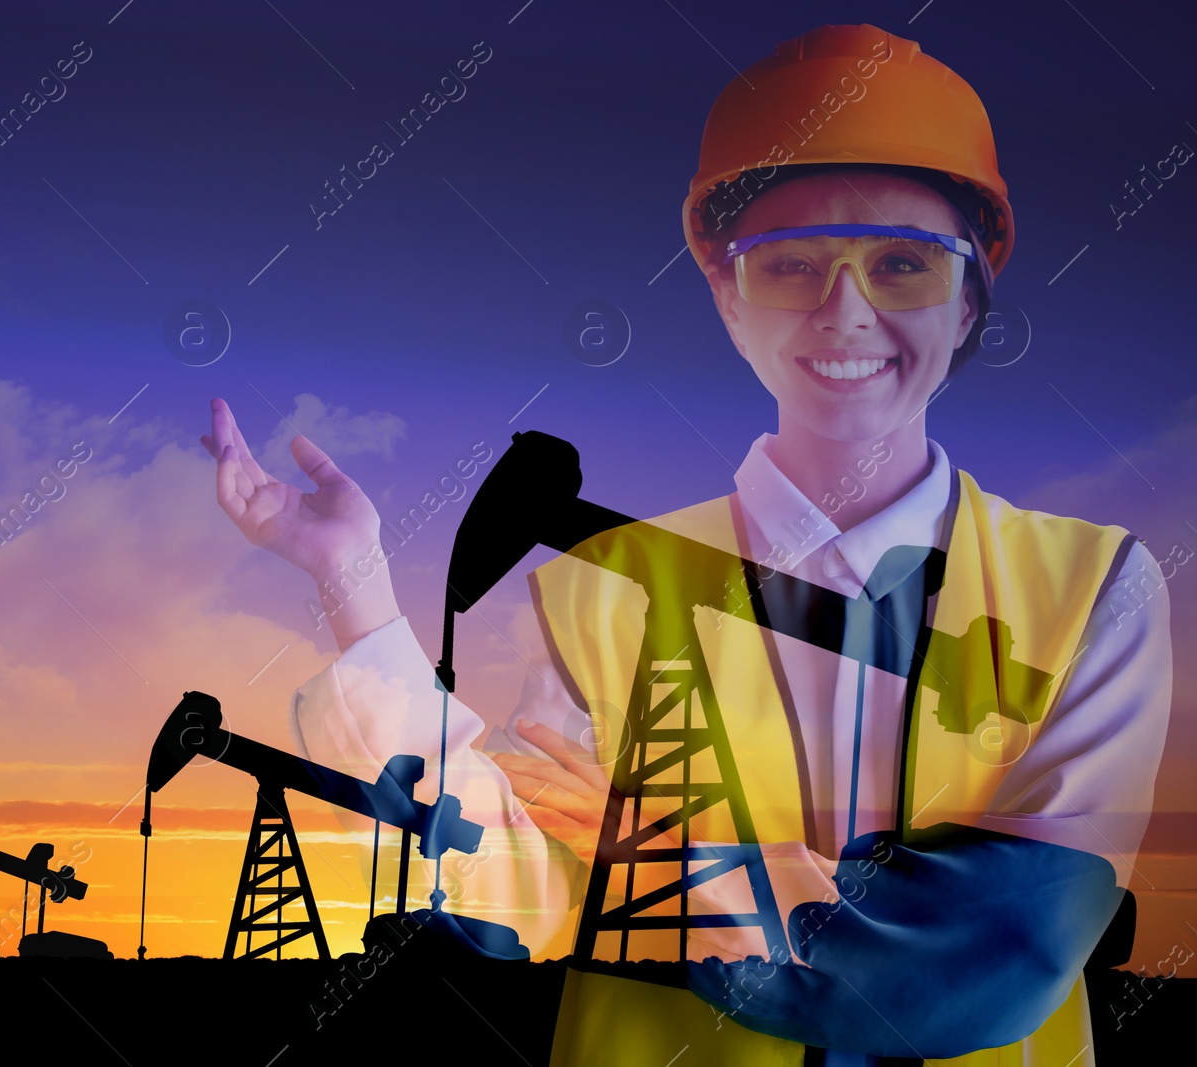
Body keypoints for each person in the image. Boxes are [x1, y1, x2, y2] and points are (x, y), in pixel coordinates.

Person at [201, 23, 1171, 1066]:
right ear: (726, 298)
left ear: (972, 292)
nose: (845, 311)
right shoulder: (598, 597)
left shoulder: (1094, 590)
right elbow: (526, 891)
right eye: (791, 265)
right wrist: (352, 588)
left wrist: (662, 859)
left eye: (902, 263)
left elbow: (993, 950)